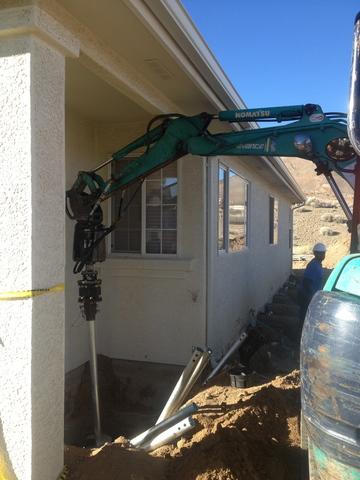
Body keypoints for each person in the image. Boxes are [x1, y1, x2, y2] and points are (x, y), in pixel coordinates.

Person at [298, 243, 326, 321]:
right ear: (315, 253)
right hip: (307, 297)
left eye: (324, 253)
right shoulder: (313, 265)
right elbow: (306, 282)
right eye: (321, 253)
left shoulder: (318, 264)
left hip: (312, 296)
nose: (323, 255)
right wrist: (311, 297)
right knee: (305, 318)